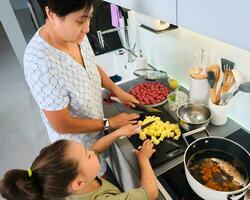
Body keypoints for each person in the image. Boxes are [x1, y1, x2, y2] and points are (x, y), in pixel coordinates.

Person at [23, 0, 139, 176]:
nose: (87, 28)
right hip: (77, 151)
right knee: (94, 183)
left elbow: (91, 66)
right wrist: (110, 123)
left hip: (96, 133)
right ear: (52, 14)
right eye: (80, 21)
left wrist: (118, 91)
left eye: (89, 18)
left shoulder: (77, 36)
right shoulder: (40, 62)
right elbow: (61, 124)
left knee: (104, 174)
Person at [0, 124, 158, 200]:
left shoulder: (63, 184)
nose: (91, 151)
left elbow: (95, 149)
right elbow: (150, 193)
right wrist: (143, 159)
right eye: (87, 155)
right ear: (78, 183)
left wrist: (117, 133)